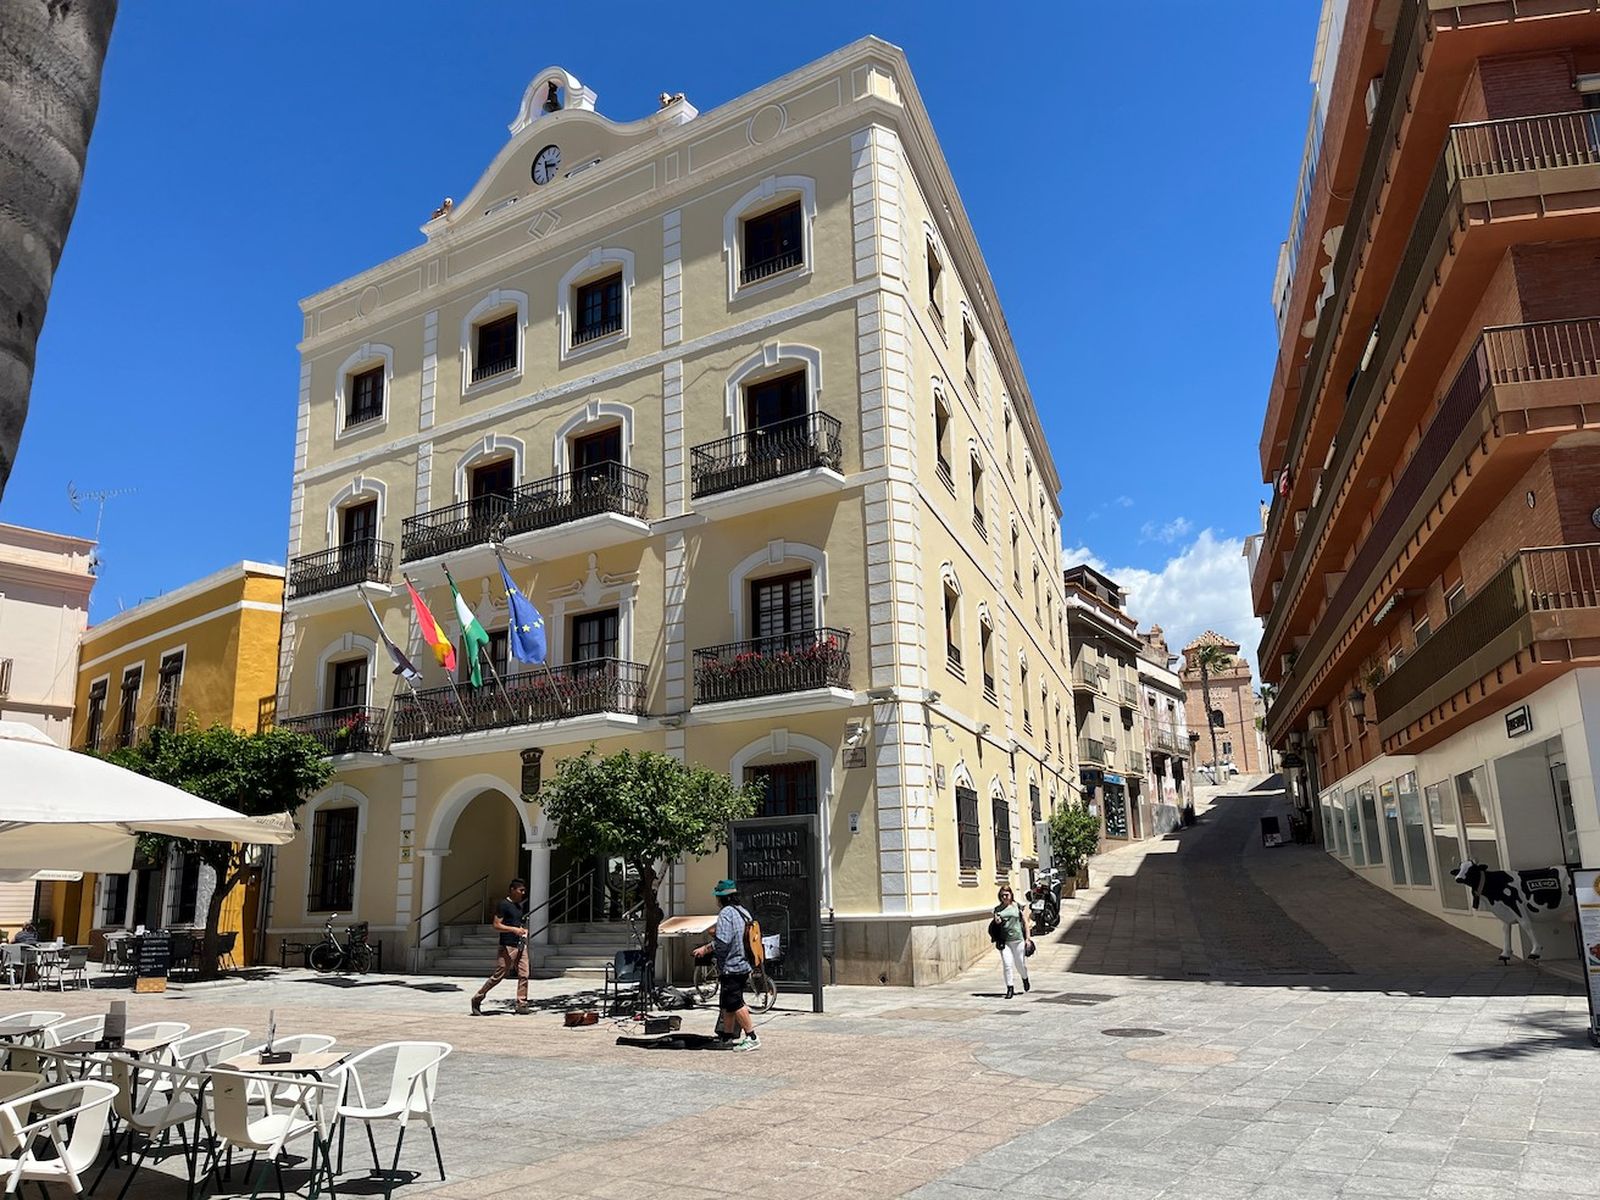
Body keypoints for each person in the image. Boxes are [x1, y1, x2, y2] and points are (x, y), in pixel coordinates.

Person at [691, 879, 760, 1051]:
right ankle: (726, 1037)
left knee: (735, 1003)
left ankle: (752, 1037)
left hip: (732, 966)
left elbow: (723, 942)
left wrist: (705, 949)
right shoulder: (744, 912)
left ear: (721, 898)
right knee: (727, 1003)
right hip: (744, 964)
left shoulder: (726, 914)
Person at [471, 878, 530, 1016]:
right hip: (507, 945)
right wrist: (513, 930)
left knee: (524, 974)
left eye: (524, 890)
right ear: (512, 889)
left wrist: (522, 930)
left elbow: (518, 924)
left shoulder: (519, 907)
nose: (523, 893)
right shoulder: (503, 905)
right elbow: (496, 925)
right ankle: (478, 997)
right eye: (520, 890)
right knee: (499, 975)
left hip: (520, 944)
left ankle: (522, 1003)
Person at [993, 884, 1032, 999]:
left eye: (1006, 895)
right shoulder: (997, 909)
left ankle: (1025, 978)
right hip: (1004, 942)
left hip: (1018, 940)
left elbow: (1025, 923)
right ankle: (1010, 988)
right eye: (1002, 895)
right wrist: (997, 921)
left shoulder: (1017, 907)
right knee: (1007, 965)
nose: (1004, 897)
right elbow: (995, 925)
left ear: (1011, 895)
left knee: (1019, 964)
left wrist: (1028, 939)